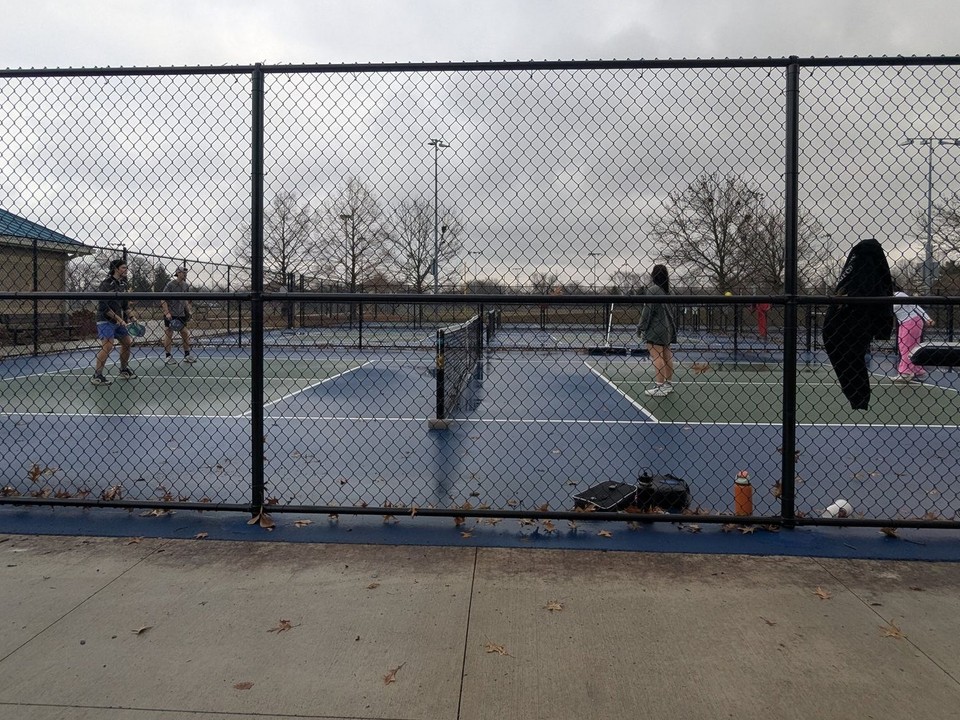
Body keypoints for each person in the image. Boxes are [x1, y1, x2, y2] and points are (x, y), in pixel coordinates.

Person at [822, 238, 894, 410]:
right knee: (850, 355)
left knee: (850, 355)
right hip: (851, 322)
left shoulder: (861, 262)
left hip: (852, 321)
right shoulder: (862, 265)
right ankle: (858, 396)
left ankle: (859, 396)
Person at [92, 258, 137, 385]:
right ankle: (97, 375)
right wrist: (119, 319)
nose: (126, 269)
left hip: (118, 321)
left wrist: (132, 317)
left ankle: (123, 370)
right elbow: (103, 308)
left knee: (127, 342)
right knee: (108, 345)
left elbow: (125, 305)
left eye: (126, 267)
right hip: (105, 320)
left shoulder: (123, 284)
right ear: (115, 269)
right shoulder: (106, 284)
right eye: (123, 267)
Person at [637, 264, 677, 396]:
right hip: (668, 328)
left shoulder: (653, 290)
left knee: (657, 356)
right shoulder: (670, 291)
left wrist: (641, 326)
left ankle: (659, 386)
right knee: (667, 356)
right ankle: (668, 384)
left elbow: (647, 311)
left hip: (656, 328)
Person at [892, 285, 933, 382]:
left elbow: (915, 306)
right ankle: (917, 369)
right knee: (907, 346)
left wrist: (927, 318)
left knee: (906, 347)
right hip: (904, 322)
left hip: (911, 321)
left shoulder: (899, 295)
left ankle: (906, 372)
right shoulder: (891, 297)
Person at [159, 266, 196, 364]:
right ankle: (168, 356)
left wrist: (189, 312)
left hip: (181, 314)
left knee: (185, 333)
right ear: (178, 273)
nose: (185, 274)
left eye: (186, 272)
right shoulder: (170, 285)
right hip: (171, 314)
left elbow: (186, 301)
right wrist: (167, 312)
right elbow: (163, 299)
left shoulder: (186, 286)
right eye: (183, 272)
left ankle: (187, 355)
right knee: (169, 333)